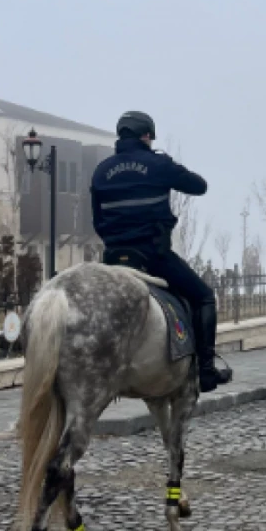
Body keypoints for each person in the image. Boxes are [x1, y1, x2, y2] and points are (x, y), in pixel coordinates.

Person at [90, 110, 233, 392]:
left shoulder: (101, 171)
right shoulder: (158, 163)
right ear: (146, 136)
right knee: (203, 296)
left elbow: (97, 221)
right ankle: (205, 368)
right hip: (153, 256)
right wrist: (166, 166)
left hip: (112, 258)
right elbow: (199, 186)